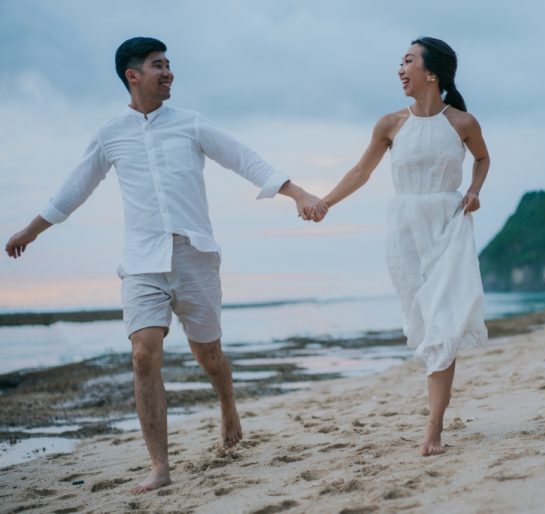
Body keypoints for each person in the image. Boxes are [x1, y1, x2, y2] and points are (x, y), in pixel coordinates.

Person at [4, 37, 326, 493]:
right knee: (143, 354)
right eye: (159, 65)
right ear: (133, 76)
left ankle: (227, 405)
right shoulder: (110, 134)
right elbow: (75, 187)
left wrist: (299, 194)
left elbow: (244, 158)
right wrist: (31, 231)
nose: (168, 72)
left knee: (208, 355)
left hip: (194, 254)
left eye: (170, 64)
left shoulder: (192, 124)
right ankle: (160, 466)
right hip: (141, 261)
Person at [306, 37, 489, 456]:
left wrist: (475, 191)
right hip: (405, 231)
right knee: (425, 323)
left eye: (407, 61)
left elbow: (482, 159)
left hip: (448, 226)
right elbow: (360, 171)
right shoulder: (391, 124)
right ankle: (435, 421)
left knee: (444, 323)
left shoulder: (462, 123)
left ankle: (433, 430)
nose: (399, 69)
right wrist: (325, 203)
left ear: (432, 73)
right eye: (399, 61)